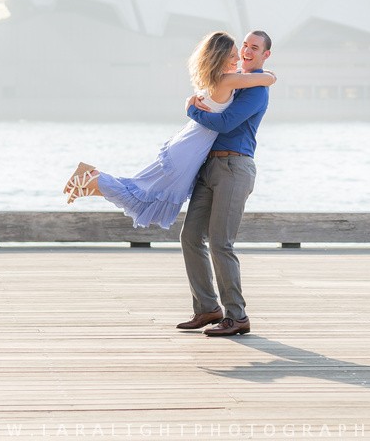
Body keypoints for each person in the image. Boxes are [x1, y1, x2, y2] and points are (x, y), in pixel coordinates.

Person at [62, 31, 275, 230]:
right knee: (140, 199)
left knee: (142, 190)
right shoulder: (229, 79)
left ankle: (89, 182)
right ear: (219, 57)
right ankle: (93, 178)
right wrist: (272, 75)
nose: (238, 59)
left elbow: (248, 77)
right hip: (189, 149)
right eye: (233, 55)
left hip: (186, 144)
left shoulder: (218, 78)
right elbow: (267, 78)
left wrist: (190, 106)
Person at [177, 29, 272, 338]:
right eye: (244, 45)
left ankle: (237, 316)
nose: (247, 50)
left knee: (221, 242)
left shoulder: (256, 89)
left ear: (264, 55)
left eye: (254, 48)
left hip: (235, 166)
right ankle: (206, 308)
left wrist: (191, 110)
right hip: (210, 166)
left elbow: (224, 123)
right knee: (190, 236)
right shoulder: (230, 79)